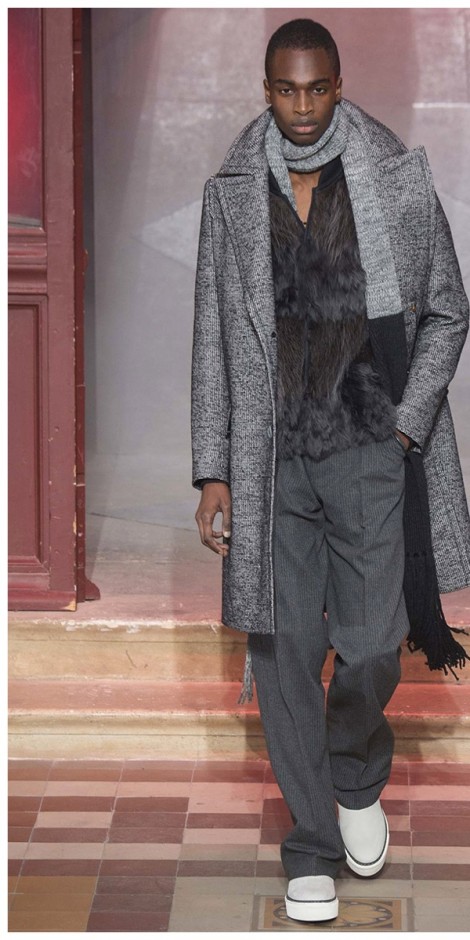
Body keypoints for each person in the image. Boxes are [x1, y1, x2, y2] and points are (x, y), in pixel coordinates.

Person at [191, 17, 470, 924]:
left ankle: (354, 776)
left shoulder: (393, 176)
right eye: (287, 89)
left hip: (366, 451)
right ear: (266, 89)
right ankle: (310, 842)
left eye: (317, 88)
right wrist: (213, 469)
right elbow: (214, 336)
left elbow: (448, 310)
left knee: (375, 641)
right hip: (271, 459)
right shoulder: (232, 191)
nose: (302, 106)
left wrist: (405, 425)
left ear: (339, 86)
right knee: (282, 653)